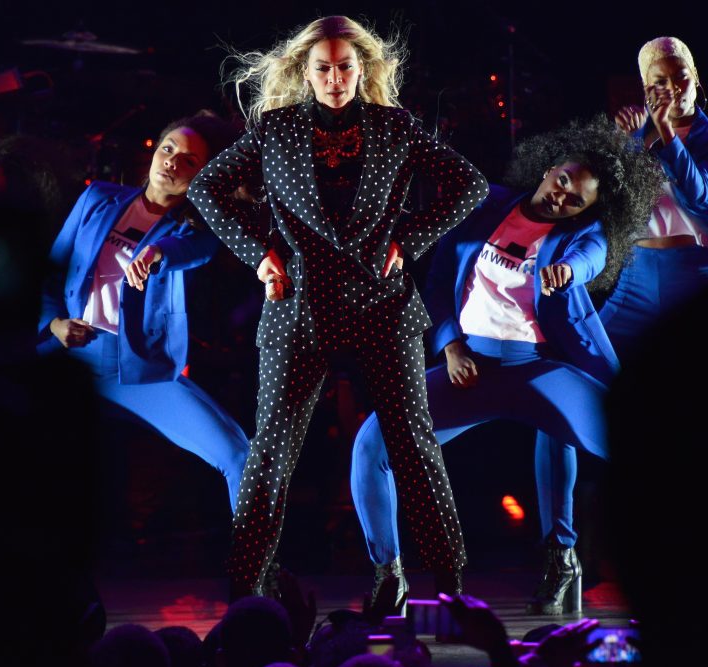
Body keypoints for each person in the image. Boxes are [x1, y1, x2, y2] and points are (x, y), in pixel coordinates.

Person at [189, 15, 488, 599]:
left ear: (361, 69)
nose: (334, 78)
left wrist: (412, 238)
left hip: (382, 307)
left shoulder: (395, 126)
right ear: (306, 71)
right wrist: (259, 253)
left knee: (413, 446)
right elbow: (207, 189)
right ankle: (245, 590)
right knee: (270, 455)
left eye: (345, 67)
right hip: (298, 309)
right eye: (322, 68)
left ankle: (447, 586)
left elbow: (470, 185)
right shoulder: (274, 130)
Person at [350, 117, 662, 614]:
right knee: (372, 443)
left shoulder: (585, 235)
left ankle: (572, 560)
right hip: (471, 371)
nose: (561, 198)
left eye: (575, 200)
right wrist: (450, 347)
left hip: (540, 373)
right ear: (549, 169)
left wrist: (568, 270)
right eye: (562, 182)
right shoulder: (486, 205)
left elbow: (591, 256)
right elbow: (438, 284)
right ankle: (390, 577)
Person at [38, 111, 249, 514]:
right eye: (168, 149)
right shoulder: (97, 198)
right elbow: (47, 278)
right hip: (67, 357)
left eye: (189, 160)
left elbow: (191, 251)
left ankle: (262, 573)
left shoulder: (196, 231)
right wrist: (53, 324)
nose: (172, 161)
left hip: (131, 368)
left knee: (238, 454)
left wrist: (156, 253)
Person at [601, 36, 708, 358]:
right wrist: (622, 141)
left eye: (680, 77)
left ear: (696, 78)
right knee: (595, 355)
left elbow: (697, 191)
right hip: (636, 270)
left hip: (693, 268)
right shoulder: (637, 136)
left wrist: (666, 132)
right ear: (647, 90)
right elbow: (613, 199)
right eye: (660, 81)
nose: (673, 88)